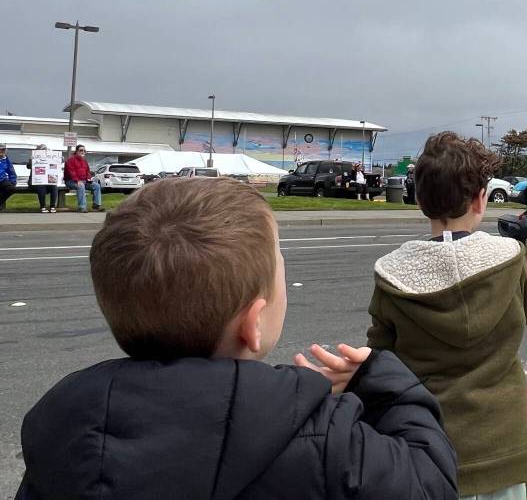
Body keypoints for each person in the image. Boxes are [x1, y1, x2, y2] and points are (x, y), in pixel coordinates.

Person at [16, 177, 458, 500]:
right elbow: (430, 484)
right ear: (253, 323)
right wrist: (388, 388)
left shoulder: (62, 427)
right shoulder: (323, 434)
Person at [366, 132, 527, 500]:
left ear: (420, 201)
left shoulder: (392, 277)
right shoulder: (508, 259)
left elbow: (380, 361)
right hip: (505, 445)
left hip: (429, 449)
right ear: (481, 198)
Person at [64, 145, 103, 212]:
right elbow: (72, 172)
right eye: (81, 150)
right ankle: (82, 207)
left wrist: (89, 179)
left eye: (84, 150)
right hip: (71, 181)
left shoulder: (84, 161)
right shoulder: (70, 160)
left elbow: (87, 171)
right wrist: (78, 181)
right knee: (81, 185)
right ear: (76, 151)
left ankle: (96, 206)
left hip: (83, 181)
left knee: (96, 185)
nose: (83, 152)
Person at [28, 144, 59, 213]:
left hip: (46, 180)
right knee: (41, 186)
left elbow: (55, 166)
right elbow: (28, 166)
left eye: (45, 150)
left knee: (54, 186)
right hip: (35, 181)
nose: (43, 152)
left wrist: (58, 159)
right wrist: (32, 160)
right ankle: (43, 206)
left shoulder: (49, 159)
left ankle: (52, 206)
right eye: (42, 150)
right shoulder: (34, 158)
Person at [0, 144, 18, 212]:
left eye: (3, 150)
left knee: (11, 188)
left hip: (2, 179)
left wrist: (13, 181)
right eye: (0, 149)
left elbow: (11, 171)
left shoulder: (6, 159)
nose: (2, 151)